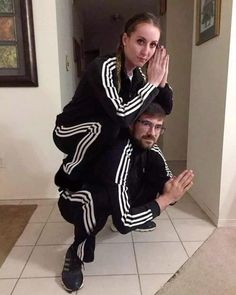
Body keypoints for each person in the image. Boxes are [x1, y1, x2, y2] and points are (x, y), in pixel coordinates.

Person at [58, 103, 194, 292]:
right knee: (98, 200)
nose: (152, 132)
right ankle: (76, 253)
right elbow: (124, 224)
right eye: (146, 124)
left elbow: (168, 184)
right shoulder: (118, 152)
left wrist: (171, 189)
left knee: (152, 175)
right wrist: (166, 199)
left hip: (111, 189)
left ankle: (122, 211)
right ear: (131, 124)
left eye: (158, 127)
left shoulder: (151, 149)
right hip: (75, 198)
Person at [53, 12, 173, 192]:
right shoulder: (103, 67)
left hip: (101, 132)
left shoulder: (138, 76)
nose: (146, 51)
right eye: (140, 41)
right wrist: (152, 84)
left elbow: (164, 109)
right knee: (113, 126)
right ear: (125, 39)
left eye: (153, 45)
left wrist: (161, 82)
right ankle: (68, 172)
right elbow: (122, 116)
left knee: (132, 134)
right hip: (68, 131)